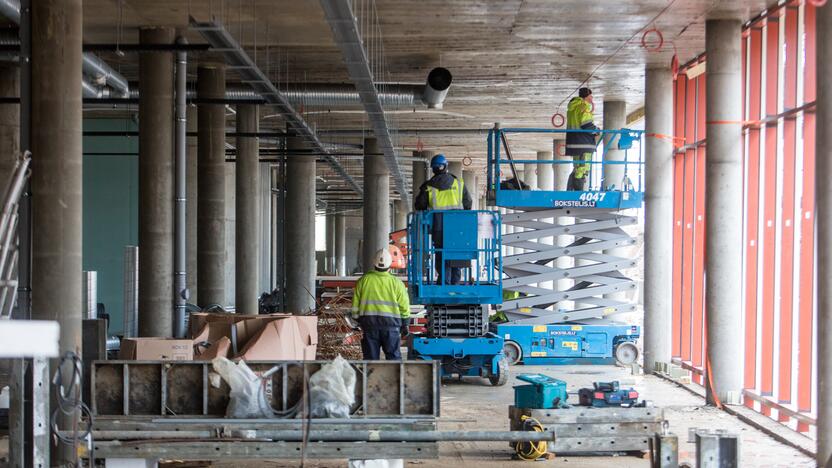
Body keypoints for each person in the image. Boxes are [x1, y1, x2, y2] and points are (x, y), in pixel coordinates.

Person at [414, 154, 472, 284]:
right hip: (457, 225)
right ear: (446, 166)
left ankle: (443, 281)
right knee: (456, 251)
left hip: (438, 226)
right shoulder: (458, 183)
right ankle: (455, 282)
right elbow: (468, 202)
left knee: (441, 252)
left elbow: (419, 205)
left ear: (433, 169)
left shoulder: (428, 186)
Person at [351, 248, 411, 360]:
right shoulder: (397, 283)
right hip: (391, 327)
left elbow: (355, 305)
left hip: (369, 325)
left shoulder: (363, 281)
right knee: (394, 359)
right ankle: (394, 378)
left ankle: (371, 378)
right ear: (390, 265)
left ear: (374, 263)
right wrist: (405, 323)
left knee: (370, 360)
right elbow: (404, 306)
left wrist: (356, 320)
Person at [565, 87, 600, 191]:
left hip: (574, 142)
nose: (592, 97)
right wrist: (596, 130)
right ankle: (578, 192)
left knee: (577, 167)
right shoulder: (583, 106)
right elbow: (586, 124)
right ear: (587, 96)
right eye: (591, 95)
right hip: (583, 143)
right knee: (582, 168)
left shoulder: (572, 108)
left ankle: (571, 190)